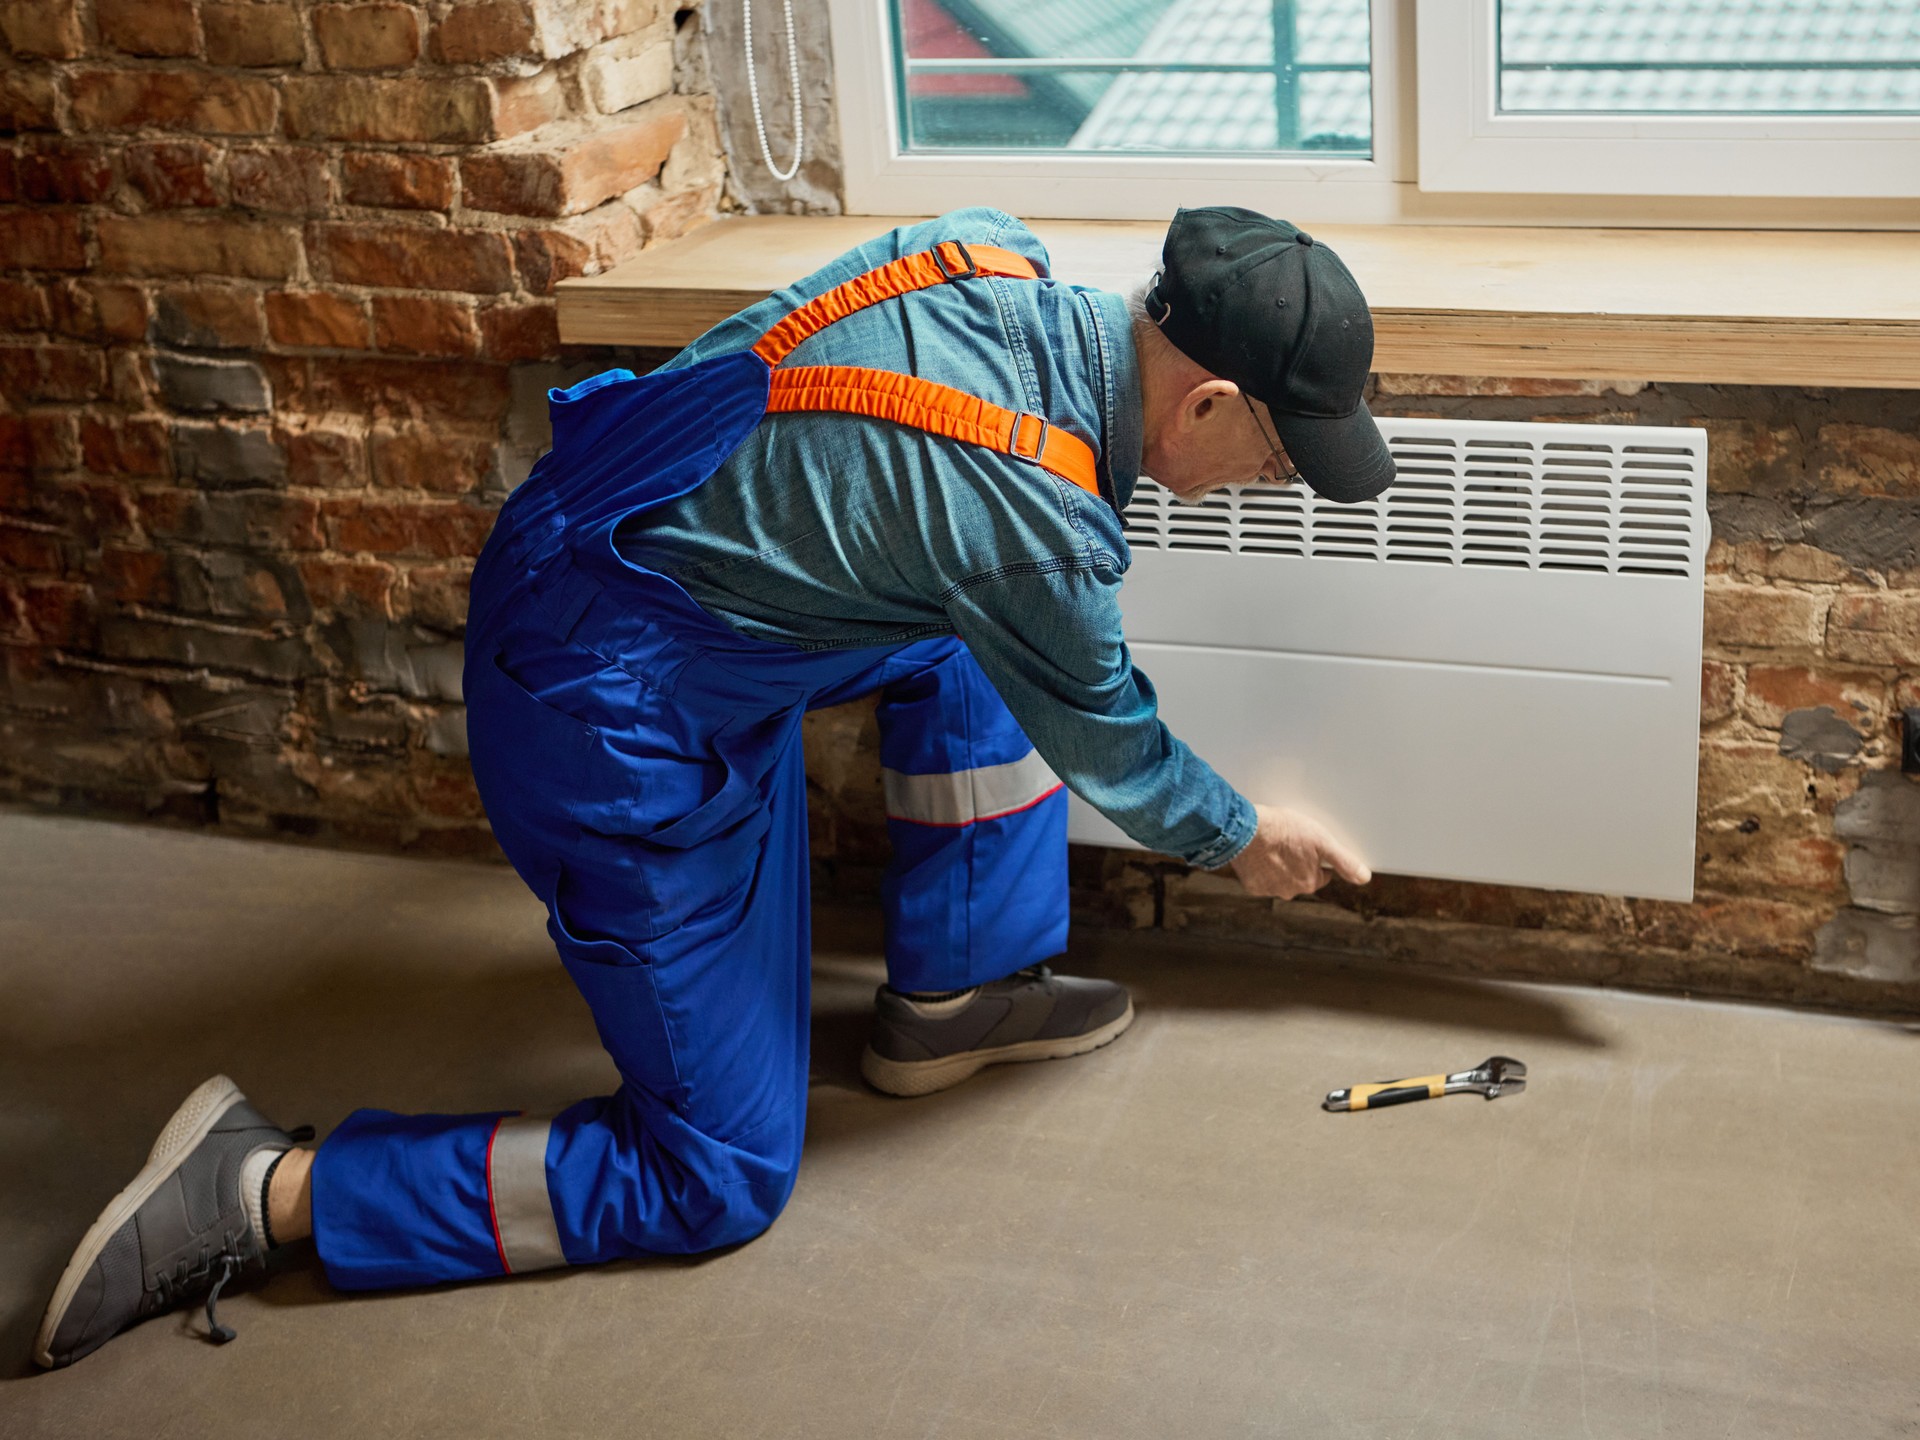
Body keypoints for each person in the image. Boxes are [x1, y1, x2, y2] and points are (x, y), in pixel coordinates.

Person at [35, 206, 1390, 1368]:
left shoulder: (992, 258)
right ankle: (265, 1191)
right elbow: (1114, 743)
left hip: (618, 560)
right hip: (604, 711)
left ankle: (957, 992)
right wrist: (1241, 837)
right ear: (1205, 402)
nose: (1262, 484)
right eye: (1276, 461)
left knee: (977, 647)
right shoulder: (1033, 525)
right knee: (712, 1179)